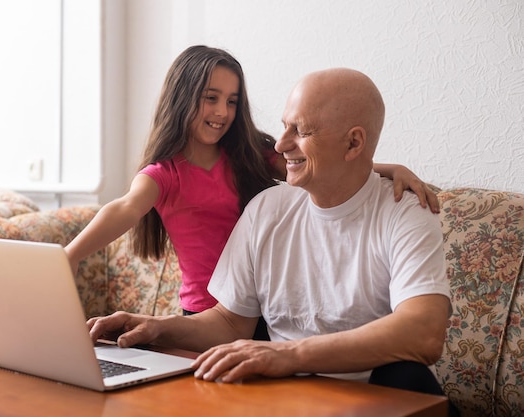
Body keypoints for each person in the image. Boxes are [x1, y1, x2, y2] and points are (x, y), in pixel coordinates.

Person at [86, 67, 456, 414]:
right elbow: (230, 323)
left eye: (301, 131)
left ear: (353, 143)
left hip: (371, 395)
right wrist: (152, 327)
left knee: (408, 377)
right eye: (284, 127)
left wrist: (288, 356)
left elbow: (423, 333)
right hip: (283, 396)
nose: (280, 145)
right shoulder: (267, 207)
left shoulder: (405, 210)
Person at [66, 45, 439, 323]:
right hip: (205, 313)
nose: (222, 113)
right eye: (210, 99)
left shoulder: (248, 153)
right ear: (182, 99)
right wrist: (70, 256)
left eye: (231, 101)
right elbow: (124, 208)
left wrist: (388, 169)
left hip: (261, 308)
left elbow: (320, 166)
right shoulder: (165, 174)